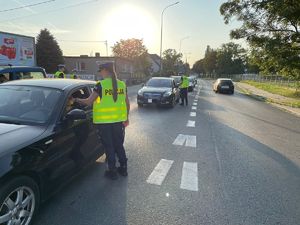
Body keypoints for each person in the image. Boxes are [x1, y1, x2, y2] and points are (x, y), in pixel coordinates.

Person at [74, 62, 130, 180]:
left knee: (109, 146)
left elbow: (89, 102)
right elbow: (127, 102)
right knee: (119, 145)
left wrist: (76, 99)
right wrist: (126, 117)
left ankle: (112, 171)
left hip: (104, 123)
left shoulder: (101, 85)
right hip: (118, 121)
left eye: (101, 71)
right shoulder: (121, 84)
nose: (100, 73)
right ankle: (124, 168)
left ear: (105, 70)